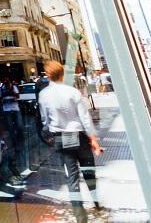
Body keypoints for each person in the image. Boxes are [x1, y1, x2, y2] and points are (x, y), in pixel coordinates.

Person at [38, 60, 103, 222]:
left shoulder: (44, 95)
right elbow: (85, 117)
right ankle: (96, 202)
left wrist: (50, 135)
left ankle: (80, 216)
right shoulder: (72, 91)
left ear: (48, 75)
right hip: (78, 135)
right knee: (88, 171)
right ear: (62, 74)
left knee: (72, 178)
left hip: (61, 137)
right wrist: (93, 139)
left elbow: (45, 120)